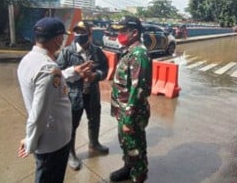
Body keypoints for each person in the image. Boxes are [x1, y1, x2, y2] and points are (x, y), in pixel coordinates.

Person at [17, 17, 92, 182]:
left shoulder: (29, 59)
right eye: (63, 37)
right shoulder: (48, 68)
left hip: (49, 139)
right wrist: (30, 141)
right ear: (58, 39)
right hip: (53, 143)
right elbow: (39, 114)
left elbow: (50, 83)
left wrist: (73, 71)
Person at [57, 21, 109, 171]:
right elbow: (58, 74)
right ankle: (71, 152)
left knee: (94, 119)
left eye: (83, 32)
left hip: (92, 93)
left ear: (90, 35)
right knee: (72, 125)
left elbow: (105, 68)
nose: (79, 35)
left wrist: (96, 75)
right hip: (74, 95)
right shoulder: (67, 52)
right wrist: (76, 73)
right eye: (77, 32)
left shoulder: (97, 51)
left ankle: (94, 143)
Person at [109, 16, 152, 183]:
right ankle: (128, 168)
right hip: (124, 110)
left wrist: (128, 118)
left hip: (132, 113)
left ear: (134, 32)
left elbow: (138, 90)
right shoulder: (129, 51)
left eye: (122, 31)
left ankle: (138, 175)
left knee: (135, 147)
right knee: (127, 144)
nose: (119, 34)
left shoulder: (139, 54)